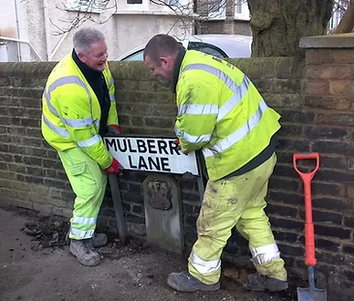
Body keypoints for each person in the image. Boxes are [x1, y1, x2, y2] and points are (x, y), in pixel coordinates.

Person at [143, 34, 288, 293]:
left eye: (153, 68)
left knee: (211, 224)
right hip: (261, 152)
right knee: (252, 215)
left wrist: (180, 133)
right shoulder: (202, 61)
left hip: (237, 163)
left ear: (165, 61)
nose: (153, 74)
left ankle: (202, 276)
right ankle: (274, 274)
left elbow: (193, 137)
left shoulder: (193, 81)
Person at [41, 27, 122, 267]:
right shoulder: (70, 87)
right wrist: (108, 162)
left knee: (97, 185)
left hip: (87, 134)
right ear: (82, 55)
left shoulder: (98, 66)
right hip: (70, 139)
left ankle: (86, 234)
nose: (105, 58)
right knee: (90, 188)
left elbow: (110, 94)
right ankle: (78, 241)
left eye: (105, 52)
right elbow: (84, 137)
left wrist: (113, 122)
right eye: (99, 55)